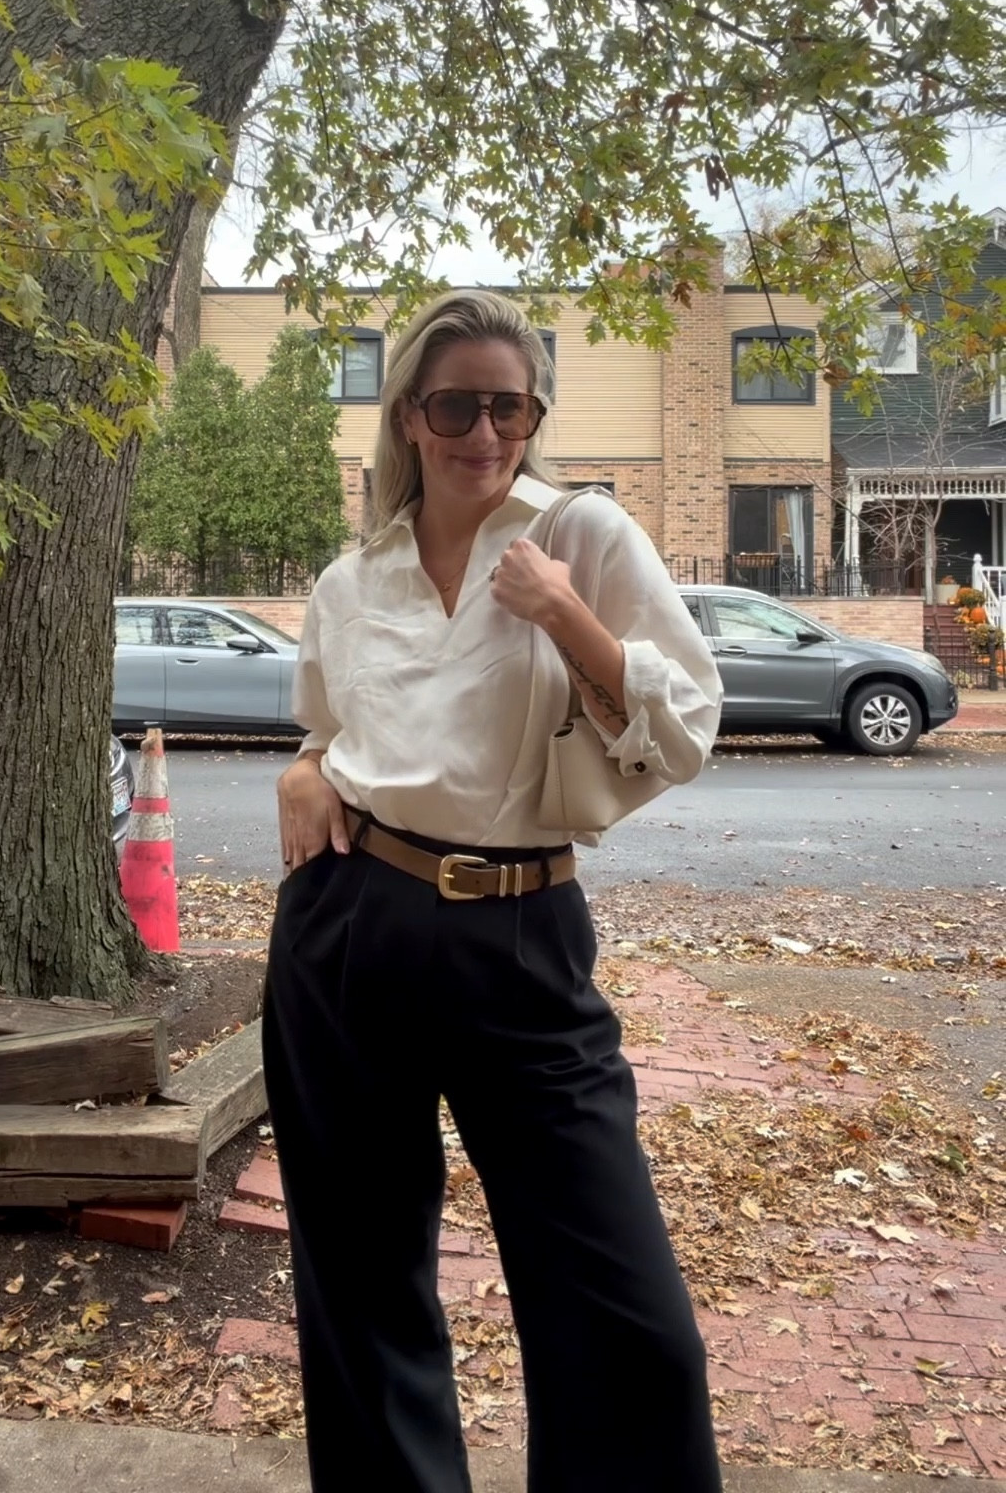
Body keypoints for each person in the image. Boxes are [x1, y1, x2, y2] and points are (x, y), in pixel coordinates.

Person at [264, 289, 725, 1493]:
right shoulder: (354, 576)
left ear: (533, 416)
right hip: (349, 924)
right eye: (457, 406)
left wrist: (564, 612)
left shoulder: (582, 534)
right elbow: (330, 730)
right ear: (410, 417)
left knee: (629, 1324)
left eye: (510, 408)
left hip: (522, 929)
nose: (485, 432)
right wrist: (306, 768)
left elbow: (685, 730)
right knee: (361, 1281)